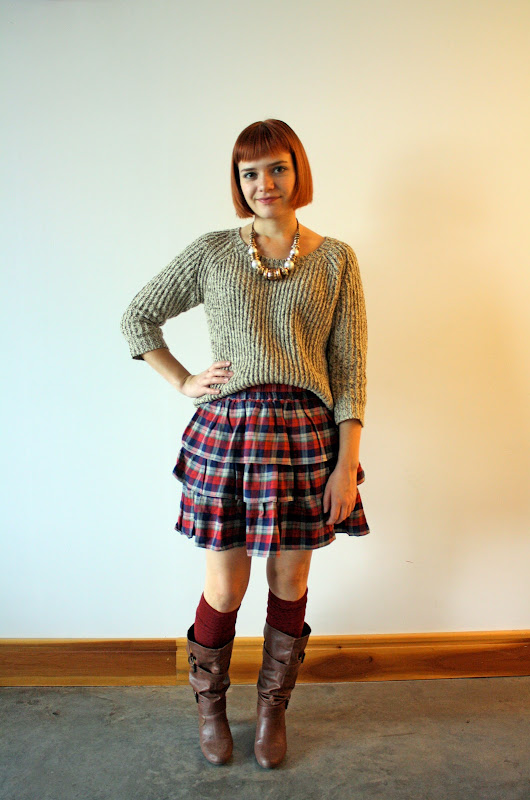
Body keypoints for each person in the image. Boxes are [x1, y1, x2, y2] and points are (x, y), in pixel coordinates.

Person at [120, 119, 369, 768]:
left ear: (298, 170)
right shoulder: (213, 251)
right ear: (237, 181)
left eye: (277, 167)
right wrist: (184, 381)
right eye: (249, 172)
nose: (264, 183)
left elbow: (349, 369)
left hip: (304, 438)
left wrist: (347, 462)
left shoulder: (336, 259)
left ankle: (272, 709)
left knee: (290, 578)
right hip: (228, 437)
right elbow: (137, 316)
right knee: (226, 587)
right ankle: (210, 705)